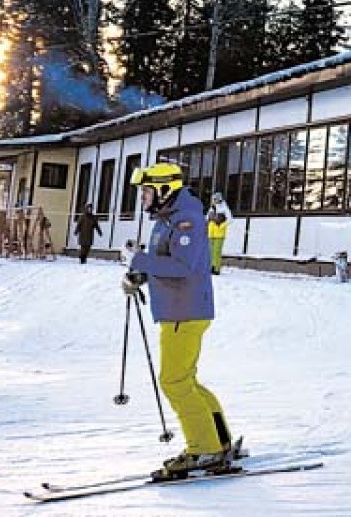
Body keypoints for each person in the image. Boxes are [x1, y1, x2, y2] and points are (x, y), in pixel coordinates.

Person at [122, 162, 237, 477]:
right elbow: (165, 262)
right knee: (186, 380)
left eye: (146, 191)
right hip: (178, 309)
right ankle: (219, 440)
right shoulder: (166, 218)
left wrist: (139, 260)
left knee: (174, 382)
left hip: (183, 311)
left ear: (164, 189)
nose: (142, 198)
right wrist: (139, 274)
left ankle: (205, 449)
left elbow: (183, 267)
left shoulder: (185, 219)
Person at [206, 192, 233, 275]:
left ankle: (216, 269)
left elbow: (230, 219)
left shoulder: (224, 208)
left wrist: (221, 226)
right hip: (211, 233)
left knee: (217, 252)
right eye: (213, 199)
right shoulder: (211, 209)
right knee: (210, 251)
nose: (213, 201)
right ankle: (211, 267)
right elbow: (207, 218)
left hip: (219, 234)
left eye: (215, 199)